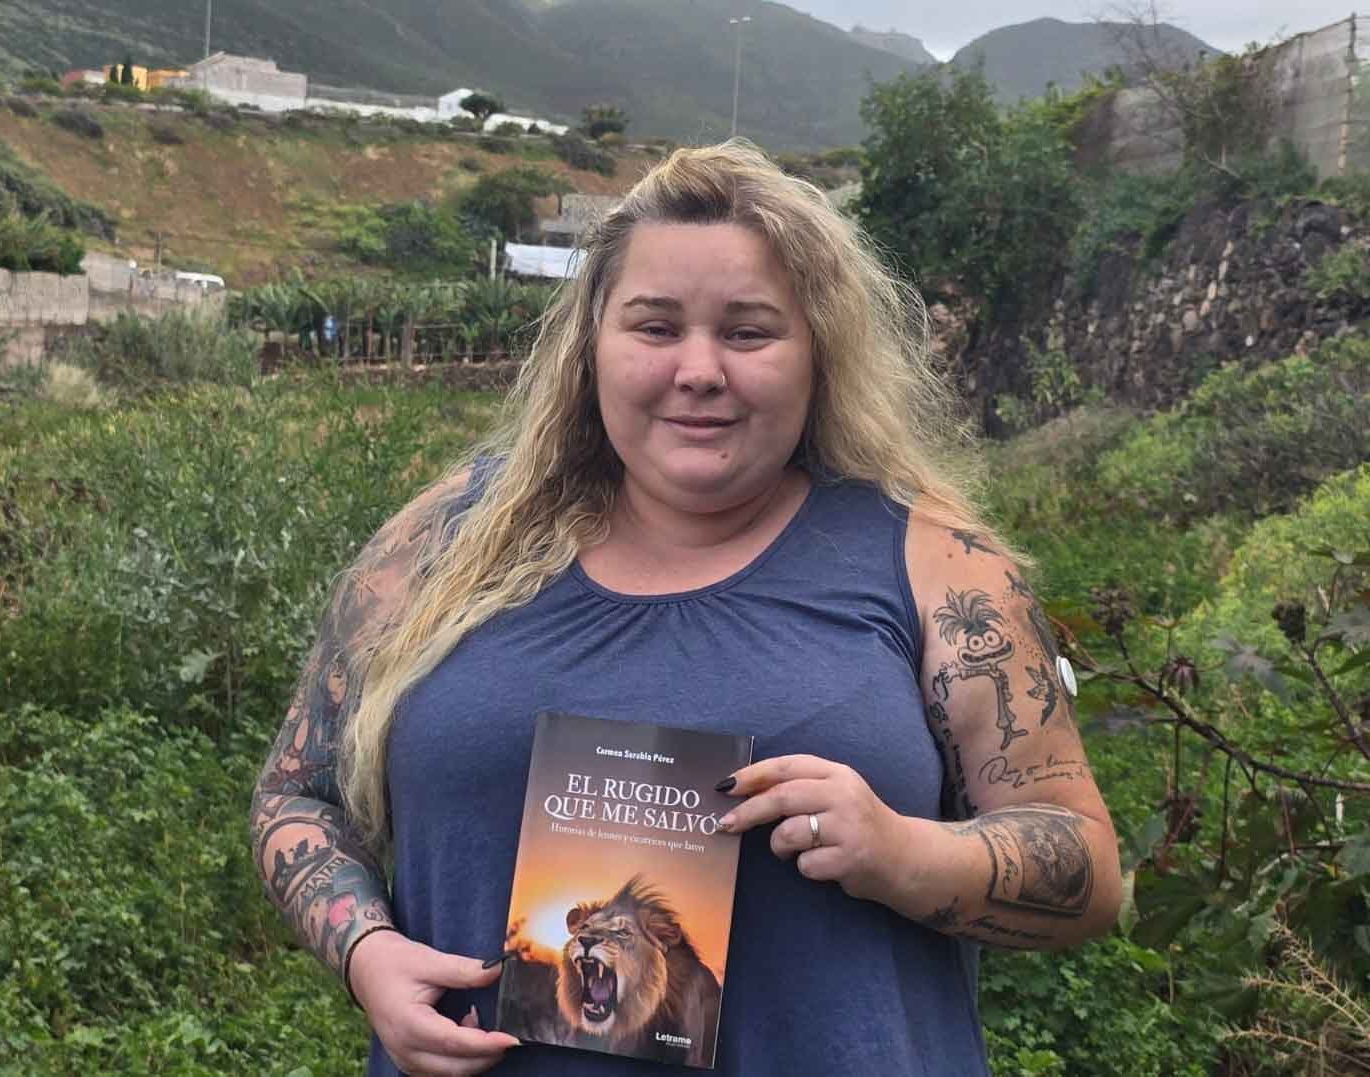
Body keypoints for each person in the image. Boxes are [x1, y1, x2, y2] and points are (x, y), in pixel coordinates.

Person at [251, 141, 1122, 1076]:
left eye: (748, 332)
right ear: (591, 347)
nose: (700, 369)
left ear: (819, 353)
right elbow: (296, 794)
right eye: (656, 327)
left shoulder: (936, 565)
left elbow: (1086, 868)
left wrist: (904, 854)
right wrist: (366, 950)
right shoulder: (448, 540)